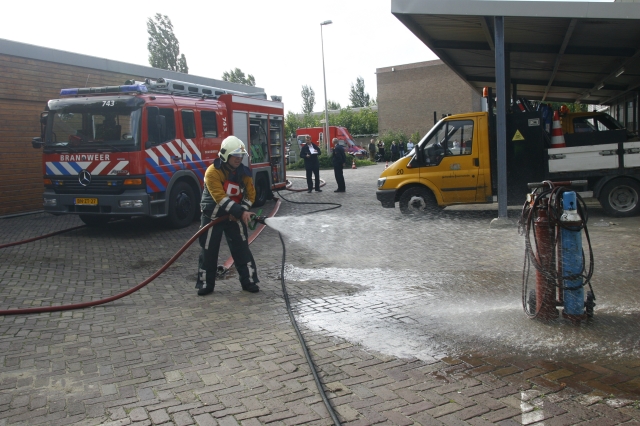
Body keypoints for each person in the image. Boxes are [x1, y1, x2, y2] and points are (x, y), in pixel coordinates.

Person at [196, 136, 260, 296]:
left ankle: (249, 281)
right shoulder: (212, 172)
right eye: (235, 155)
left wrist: (240, 212)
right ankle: (206, 284)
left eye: (241, 155)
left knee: (242, 248)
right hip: (213, 216)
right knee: (208, 250)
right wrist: (240, 212)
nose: (239, 159)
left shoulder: (244, 173)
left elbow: (250, 195)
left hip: (236, 215)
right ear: (225, 155)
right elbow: (220, 197)